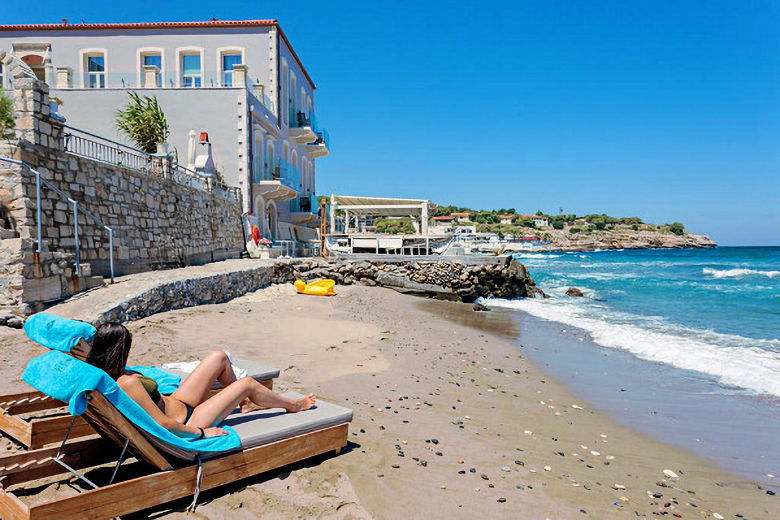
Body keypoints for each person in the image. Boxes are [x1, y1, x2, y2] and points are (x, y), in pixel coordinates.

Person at [75, 322, 316, 439]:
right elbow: (163, 425)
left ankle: (245, 405)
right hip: (188, 419)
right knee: (248, 384)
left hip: (178, 402)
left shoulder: (102, 370)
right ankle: (293, 405)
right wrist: (200, 433)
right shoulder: (125, 383)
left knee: (218, 357)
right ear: (118, 350)